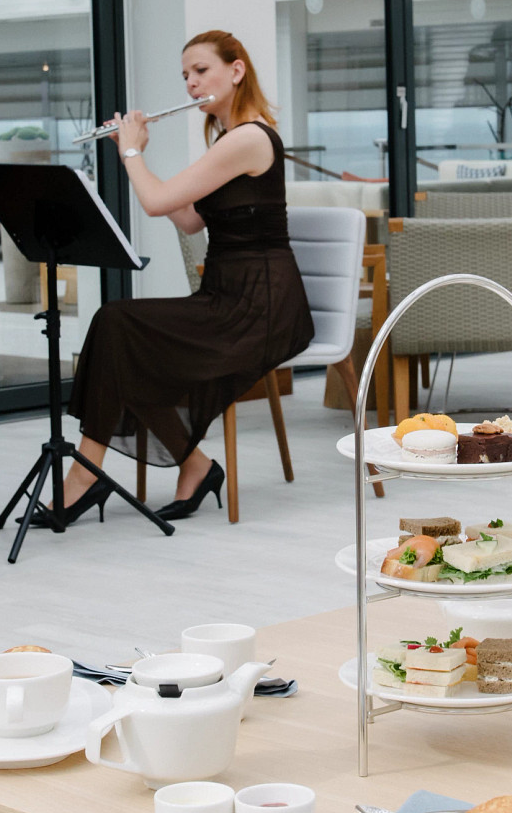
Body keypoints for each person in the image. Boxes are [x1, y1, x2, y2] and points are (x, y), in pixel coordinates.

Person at [50, 30, 314, 523]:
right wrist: (140, 162)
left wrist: (133, 154)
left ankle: (85, 474)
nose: (191, 84)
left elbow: (153, 203)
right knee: (126, 342)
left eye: (201, 71)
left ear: (235, 71)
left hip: (262, 307)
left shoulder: (250, 138)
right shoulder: (227, 139)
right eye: (186, 76)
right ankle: (192, 465)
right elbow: (190, 218)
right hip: (226, 294)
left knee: (117, 324)